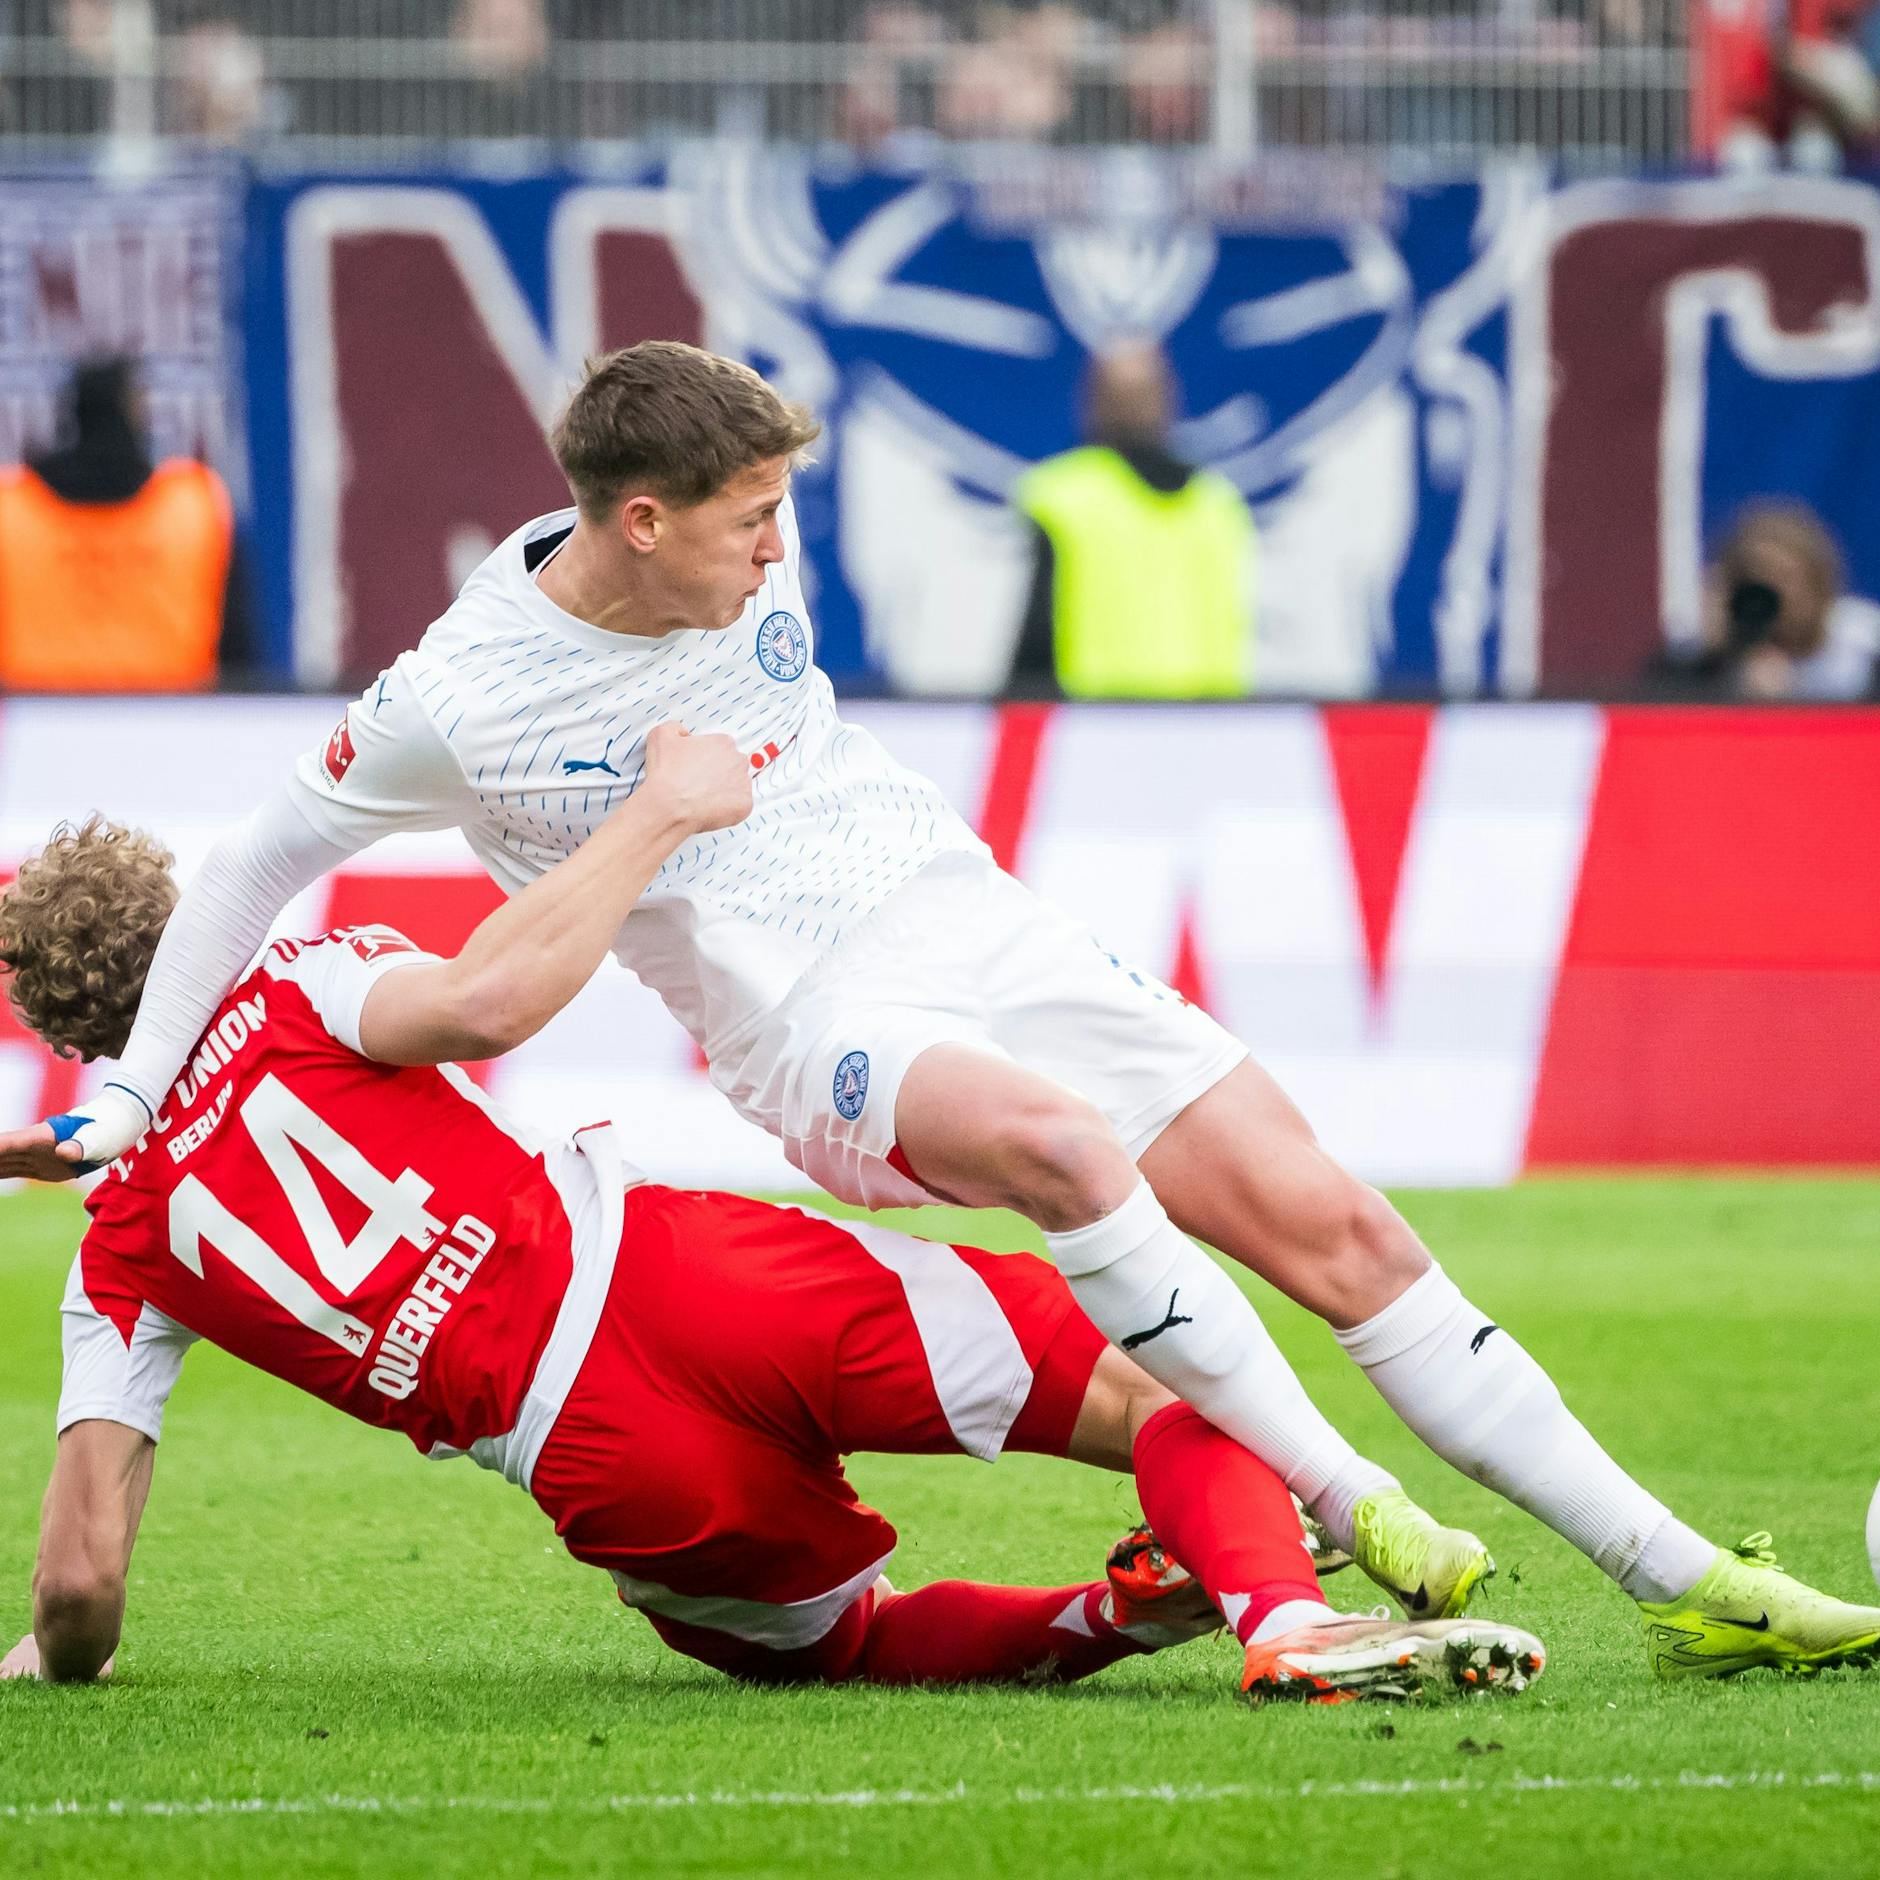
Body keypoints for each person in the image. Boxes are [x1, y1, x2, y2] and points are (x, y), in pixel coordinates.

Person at [15, 341, 1880, 1682]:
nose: (779, 552)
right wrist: (134, 1092)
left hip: (971, 913)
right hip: (813, 1023)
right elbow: (254, 859)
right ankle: (1344, 1496)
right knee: (1063, 1152)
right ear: (642, 521)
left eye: (782, 513)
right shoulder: (463, 694)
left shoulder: (729, 551)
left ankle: (1684, 1580)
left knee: (1342, 1228)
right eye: (751, 521)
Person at [0, 784, 1551, 1703]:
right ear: (183, 924)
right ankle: (1284, 1615)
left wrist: (57, 1661)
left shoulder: (119, 1246)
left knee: (845, 1646)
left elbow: (79, 1585)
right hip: (689, 1281)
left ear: (67, 1034)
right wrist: (652, 815)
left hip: (597, 1461)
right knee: (1153, 1381)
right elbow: (474, 1003)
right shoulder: (305, 983)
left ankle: (1121, 1614)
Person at [1009, 339, 1257, 699]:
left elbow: (1037, 634)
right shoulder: (1217, 503)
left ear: (1091, 401)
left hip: (1095, 719)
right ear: (1169, 400)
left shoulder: (1064, 495)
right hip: (1207, 720)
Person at [0, 357, 257, 691]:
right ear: (135, 416)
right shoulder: (193, 511)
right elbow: (241, 660)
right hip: (176, 716)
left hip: (32, 716)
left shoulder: (11, 512)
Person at [1648, 502, 1880, 700]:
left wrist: (1790, 699)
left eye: (1786, 577)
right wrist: (1714, 661)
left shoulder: (1863, 650)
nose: (1772, 596)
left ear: (1817, 585)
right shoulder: (1699, 656)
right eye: (1758, 579)